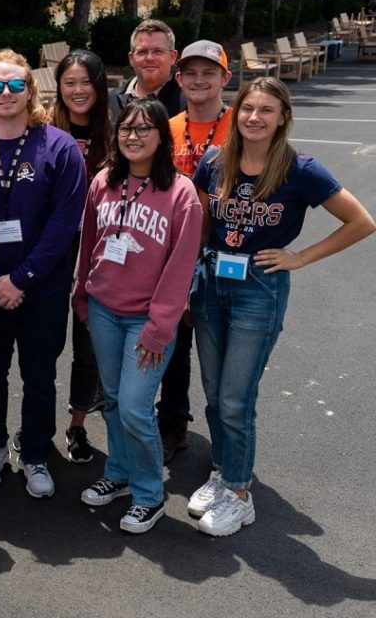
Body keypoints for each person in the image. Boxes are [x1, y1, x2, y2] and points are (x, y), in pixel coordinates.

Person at [188, 77, 374, 536]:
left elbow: (361, 221)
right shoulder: (214, 161)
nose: (255, 118)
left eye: (266, 110)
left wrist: (300, 257)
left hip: (259, 287)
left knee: (236, 397)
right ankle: (223, 471)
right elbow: (198, 222)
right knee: (214, 394)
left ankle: (239, 493)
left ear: (282, 118)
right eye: (248, 108)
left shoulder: (300, 170)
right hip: (211, 283)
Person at [0, 49, 86, 498]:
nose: (6, 93)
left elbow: (64, 222)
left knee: (39, 375)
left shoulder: (59, 146)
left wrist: (22, 279)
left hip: (42, 288)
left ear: (30, 91)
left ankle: (34, 451)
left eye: (15, 85)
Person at [73, 99, 203, 534]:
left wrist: (159, 327)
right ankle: (121, 473)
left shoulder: (181, 193)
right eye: (126, 128)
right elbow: (88, 240)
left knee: (134, 407)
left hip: (147, 321)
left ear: (162, 137)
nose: (133, 136)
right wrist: (82, 296)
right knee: (111, 400)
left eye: (144, 129)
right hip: (104, 310)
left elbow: (182, 265)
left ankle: (150, 494)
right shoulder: (103, 183)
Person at [158, 40, 235, 463]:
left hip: (223, 253)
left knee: (218, 352)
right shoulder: (168, 127)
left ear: (225, 77)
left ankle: (229, 448)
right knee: (172, 340)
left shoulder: (242, 127)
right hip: (172, 250)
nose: (199, 80)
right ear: (179, 78)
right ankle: (172, 422)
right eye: (191, 73)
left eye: (209, 72)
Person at [50, 49, 113, 464]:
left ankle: (77, 425)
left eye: (85, 82)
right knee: (44, 341)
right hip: (52, 248)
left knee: (88, 344)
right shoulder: (44, 128)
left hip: (101, 250)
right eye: (69, 82)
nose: (77, 90)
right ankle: (33, 422)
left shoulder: (115, 129)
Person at [108, 19, 186, 122]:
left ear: (172, 57)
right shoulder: (111, 100)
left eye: (158, 51)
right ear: (131, 59)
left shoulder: (187, 104)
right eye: (142, 52)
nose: (150, 58)